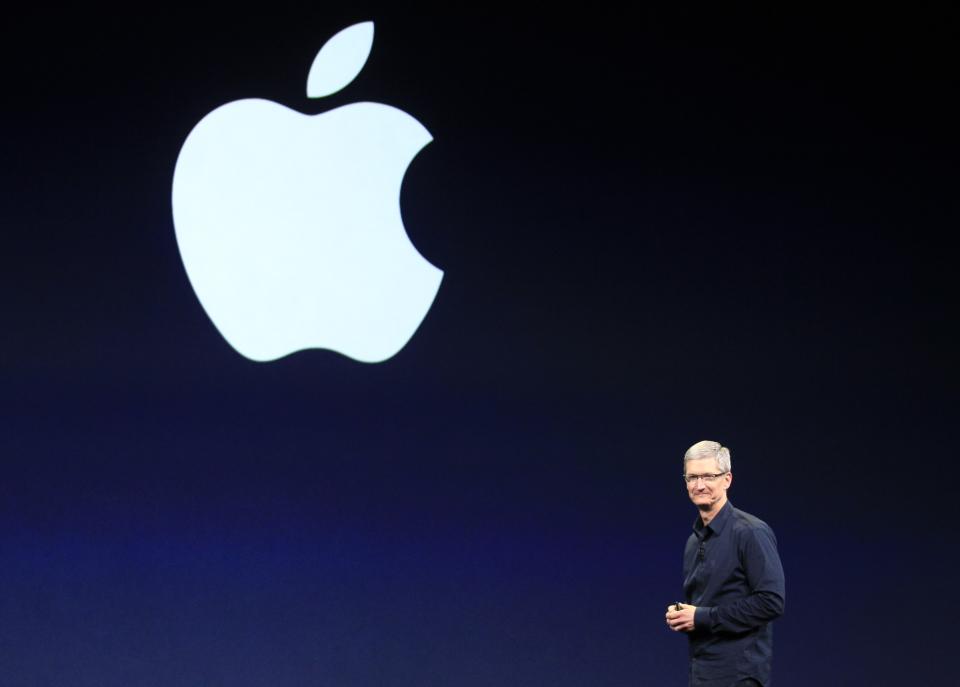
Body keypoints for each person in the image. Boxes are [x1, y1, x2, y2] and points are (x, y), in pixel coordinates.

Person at [665, 440, 785, 686]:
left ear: (727, 479)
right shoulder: (693, 541)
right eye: (692, 478)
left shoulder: (750, 532)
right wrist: (684, 615)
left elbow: (771, 602)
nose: (699, 485)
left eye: (708, 476)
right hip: (702, 673)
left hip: (739, 676)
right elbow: (709, 603)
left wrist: (701, 617)